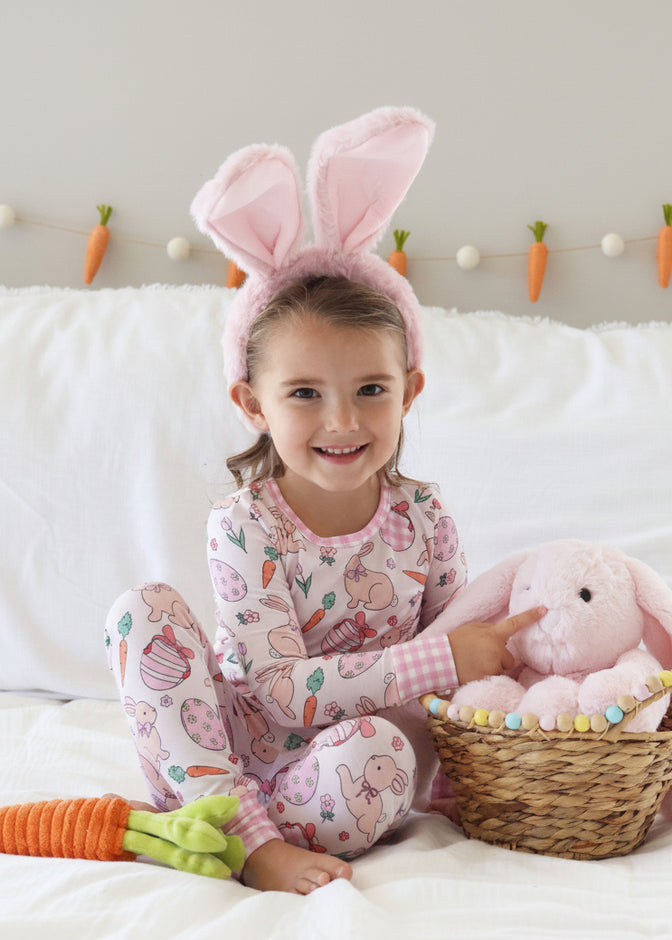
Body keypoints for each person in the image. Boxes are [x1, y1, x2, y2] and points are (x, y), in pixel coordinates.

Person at [105, 109, 544, 894]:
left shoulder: (425, 521)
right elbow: (279, 689)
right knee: (141, 613)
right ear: (252, 403)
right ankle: (241, 835)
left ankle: (276, 826)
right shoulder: (247, 524)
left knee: (382, 751)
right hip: (226, 751)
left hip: (342, 777)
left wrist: (482, 739)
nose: (342, 421)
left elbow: (463, 656)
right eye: (304, 393)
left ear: (409, 392)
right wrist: (442, 657)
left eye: (370, 389)